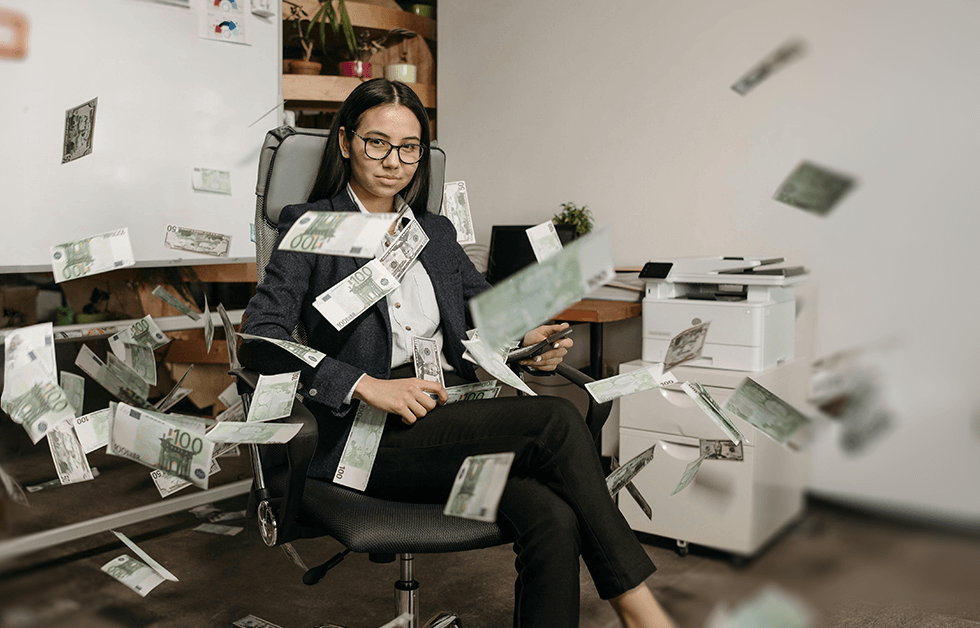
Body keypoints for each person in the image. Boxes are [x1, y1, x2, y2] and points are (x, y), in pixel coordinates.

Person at [241, 78, 674, 628]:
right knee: (557, 421)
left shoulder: (435, 232)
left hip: (452, 419)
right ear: (346, 141)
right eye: (377, 143)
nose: (394, 161)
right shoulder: (311, 226)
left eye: (410, 148)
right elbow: (259, 338)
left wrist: (527, 341)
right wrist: (363, 383)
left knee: (552, 515)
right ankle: (643, 614)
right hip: (370, 437)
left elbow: (486, 313)